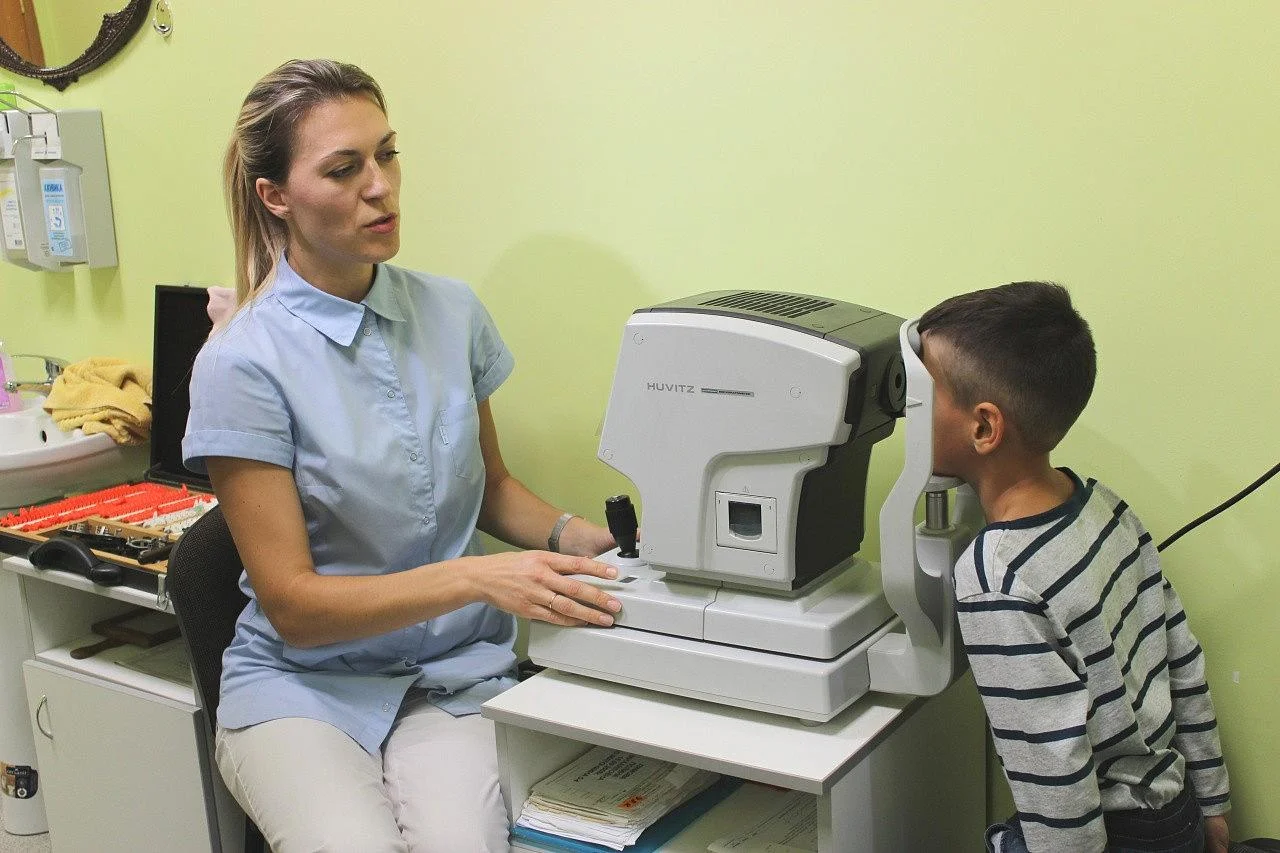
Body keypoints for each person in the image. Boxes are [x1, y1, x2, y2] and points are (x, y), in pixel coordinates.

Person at [182, 59, 623, 853]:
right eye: (344, 169)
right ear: (274, 195)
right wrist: (479, 577)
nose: (380, 186)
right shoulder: (241, 363)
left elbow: (492, 489)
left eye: (386, 154)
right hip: (301, 689)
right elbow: (294, 605)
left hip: (452, 677)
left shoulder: (450, 312)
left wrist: (577, 540)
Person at [915, 282, 1231, 853]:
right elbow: (1182, 656)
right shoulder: (1103, 506)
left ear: (984, 428)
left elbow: (1054, 774)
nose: (907, 408)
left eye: (922, 392)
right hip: (1172, 809)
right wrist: (1211, 804)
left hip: (1109, 835)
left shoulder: (997, 578)